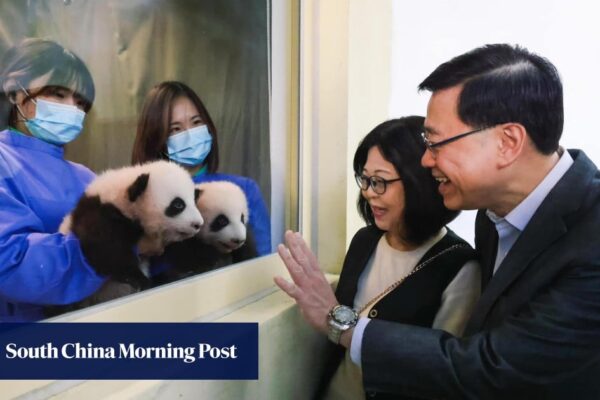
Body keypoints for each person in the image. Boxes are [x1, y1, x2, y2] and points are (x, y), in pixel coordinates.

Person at [275, 43, 600, 399]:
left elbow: (495, 368)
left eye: (436, 143)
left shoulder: (591, 234)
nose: (427, 162)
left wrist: (340, 323)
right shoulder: (491, 218)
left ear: (508, 142)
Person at [317, 116, 479, 400]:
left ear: (420, 183)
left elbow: (441, 374)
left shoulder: (459, 266)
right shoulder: (364, 241)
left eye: (379, 181)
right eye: (365, 179)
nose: (368, 192)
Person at [0, 38, 105, 321]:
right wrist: (116, 247)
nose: (71, 108)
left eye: (80, 102)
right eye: (58, 94)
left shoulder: (86, 177)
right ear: (14, 90)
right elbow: (9, 263)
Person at [131, 81, 271, 256]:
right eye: (176, 129)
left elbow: (264, 262)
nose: (190, 133)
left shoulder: (244, 190)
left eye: (196, 122)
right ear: (155, 139)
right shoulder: (143, 198)